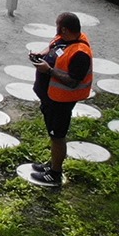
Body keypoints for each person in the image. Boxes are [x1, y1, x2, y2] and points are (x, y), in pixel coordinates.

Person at [28, 13, 94, 188]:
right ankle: (52, 164)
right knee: (53, 134)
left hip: (61, 102)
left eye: (58, 26)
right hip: (50, 98)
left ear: (64, 29)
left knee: (57, 136)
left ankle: (55, 173)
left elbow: (73, 81)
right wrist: (40, 55)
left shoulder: (80, 54)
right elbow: (53, 48)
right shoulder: (63, 39)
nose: (56, 29)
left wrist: (48, 70)